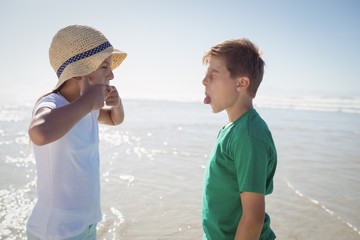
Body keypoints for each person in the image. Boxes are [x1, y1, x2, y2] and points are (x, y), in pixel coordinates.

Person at [26, 25, 127, 239]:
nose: (112, 74)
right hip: (57, 232)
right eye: (104, 66)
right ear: (80, 73)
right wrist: (88, 101)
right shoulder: (53, 103)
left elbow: (113, 119)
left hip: (85, 225)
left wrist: (116, 104)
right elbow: (39, 132)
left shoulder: (85, 107)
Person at [201, 39, 277, 240]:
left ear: (241, 83)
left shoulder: (248, 136)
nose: (203, 81)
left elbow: (253, 217)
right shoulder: (232, 128)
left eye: (212, 75)